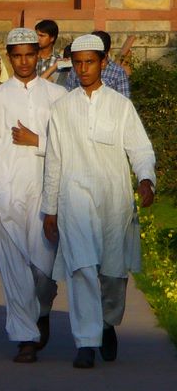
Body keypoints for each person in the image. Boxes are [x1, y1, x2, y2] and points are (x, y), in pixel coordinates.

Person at [42, 34, 155, 369]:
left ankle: (107, 323)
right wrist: (51, 209)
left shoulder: (121, 106)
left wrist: (146, 179)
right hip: (74, 198)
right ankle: (86, 342)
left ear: (104, 62)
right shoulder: (62, 108)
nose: (84, 69)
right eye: (78, 63)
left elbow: (140, 148)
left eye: (90, 62)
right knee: (82, 269)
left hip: (114, 199)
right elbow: (54, 161)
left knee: (112, 273)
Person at [0, 28, 66, 363]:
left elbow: (68, 147)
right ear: (9, 57)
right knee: (13, 271)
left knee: (43, 273)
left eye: (29, 55)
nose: (23, 62)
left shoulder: (57, 95)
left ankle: (42, 310)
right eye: (17, 56)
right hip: (6, 194)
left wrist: (37, 141)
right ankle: (25, 338)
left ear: (38, 55)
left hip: (45, 195)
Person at [64, 30, 130, 97]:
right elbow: (68, 92)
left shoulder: (118, 72)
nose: (83, 69)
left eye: (90, 61)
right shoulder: (76, 69)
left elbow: (123, 97)